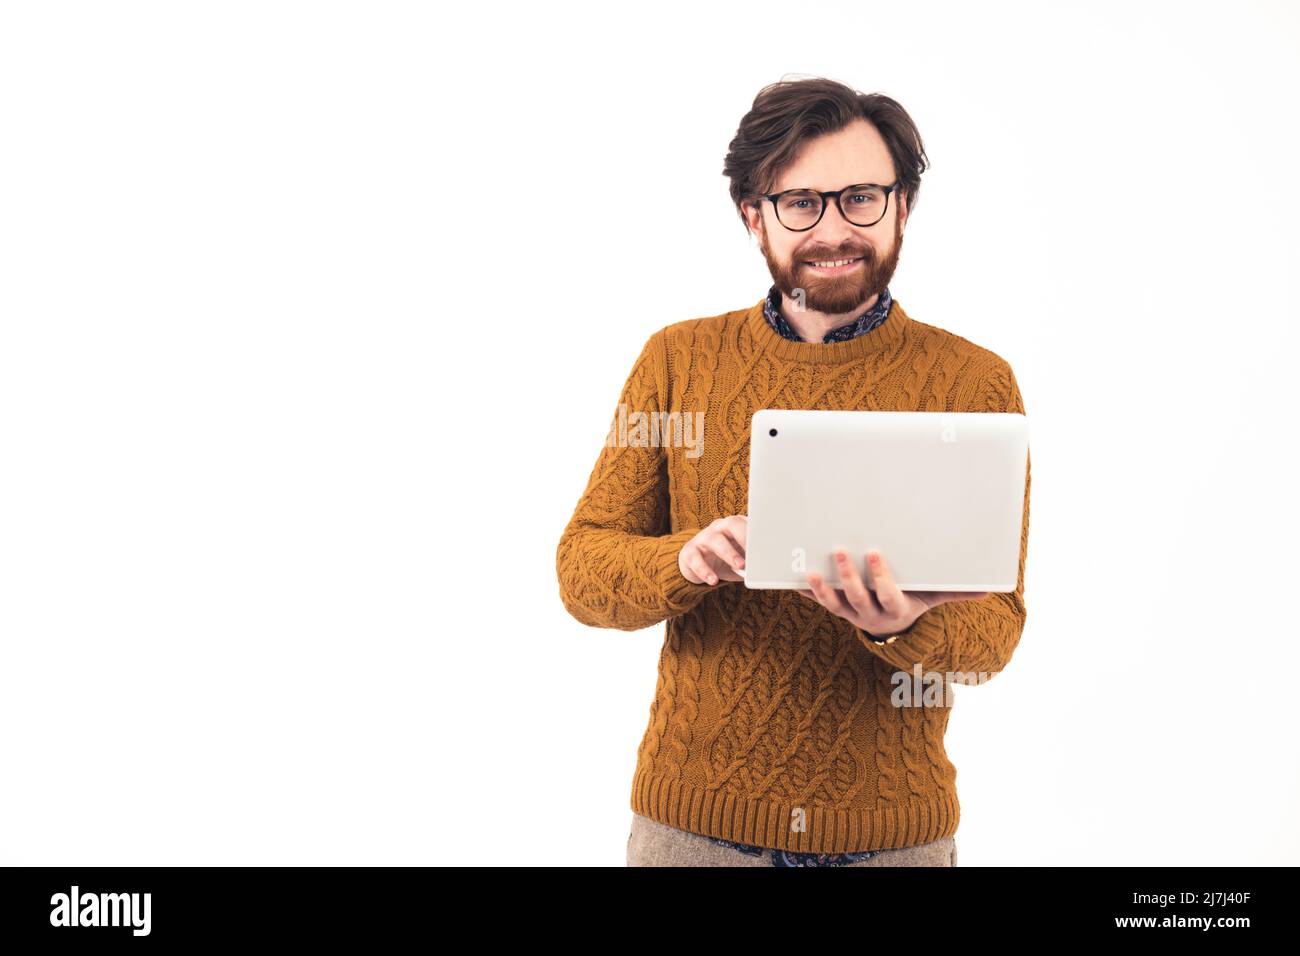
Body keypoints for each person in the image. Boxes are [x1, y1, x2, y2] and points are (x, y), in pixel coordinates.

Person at [556, 76, 1031, 867]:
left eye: (860, 198)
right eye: (801, 202)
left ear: (902, 207)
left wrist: (903, 626)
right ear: (755, 217)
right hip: (694, 834)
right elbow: (582, 572)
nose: (833, 228)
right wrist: (682, 558)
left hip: (894, 841)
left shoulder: (974, 382)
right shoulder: (677, 360)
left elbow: (994, 635)